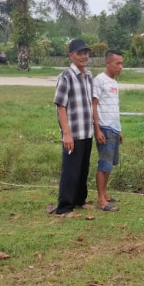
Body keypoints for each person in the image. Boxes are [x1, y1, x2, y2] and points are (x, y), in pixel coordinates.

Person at [53, 38, 94, 217]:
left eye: (86, 53)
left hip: (87, 131)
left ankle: (79, 200)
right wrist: (66, 134)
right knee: (71, 169)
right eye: (80, 53)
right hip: (74, 133)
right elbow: (60, 106)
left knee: (83, 168)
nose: (84, 56)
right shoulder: (66, 76)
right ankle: (64, 207)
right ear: (71, 55)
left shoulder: (88, 76)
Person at [92, 50, 125, 211]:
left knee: (110, 164)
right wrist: (97, 129)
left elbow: (113, 108)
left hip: (113, 129)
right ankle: (100, 200)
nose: (120, 67)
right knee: (103, 164)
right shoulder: (99, 80)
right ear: (108, 63)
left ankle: (105, 194)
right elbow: (94, 105)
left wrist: (119, 130)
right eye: (117, 63)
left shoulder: (114, 82)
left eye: (122, 63)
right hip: (104, 128)